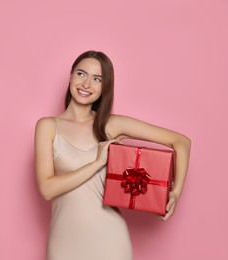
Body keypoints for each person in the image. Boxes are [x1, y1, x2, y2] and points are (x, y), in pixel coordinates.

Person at [34, 50, 191, 260]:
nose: (86, 84)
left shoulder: (112, 125)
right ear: (71, 75)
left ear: (105, 87)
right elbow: (47, 188)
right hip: (63, 241)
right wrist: (98, 162)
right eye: (81, 74)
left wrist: (175, 193)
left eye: (97, 79)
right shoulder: (48, 126)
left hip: (110, 240)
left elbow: (181, 142)